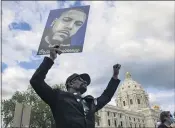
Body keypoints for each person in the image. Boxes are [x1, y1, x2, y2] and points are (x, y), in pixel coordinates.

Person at [30, 45, 121, 128]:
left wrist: (115, 77)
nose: (84, 81)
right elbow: (36, 81)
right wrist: (51, 59)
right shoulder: (58, 97)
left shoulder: (90, 102)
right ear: (71, 83)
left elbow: (106, 96)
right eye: (80, 79)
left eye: (85, 81)